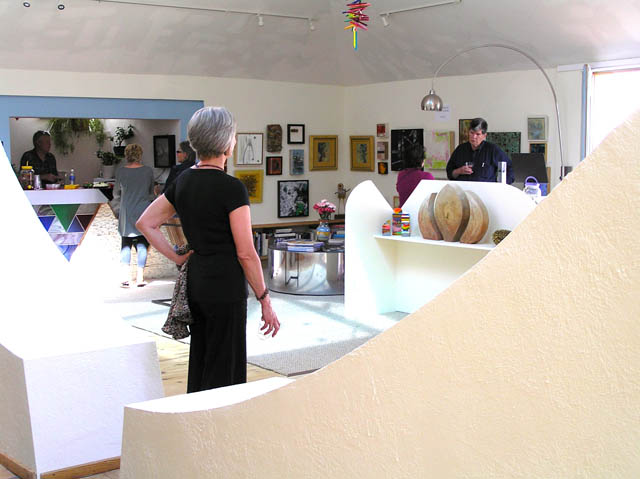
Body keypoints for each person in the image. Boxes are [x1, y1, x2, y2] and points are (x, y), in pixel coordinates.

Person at [136, 106, 280, 393]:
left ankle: (197, 413)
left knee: (202, 358)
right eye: (234, 136)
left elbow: (146, 223)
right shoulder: (232, 188)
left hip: (197, 281)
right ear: (226, 142)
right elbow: (246, 253)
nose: (235, 141)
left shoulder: (183, 181)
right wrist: (264, 298)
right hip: (225, 286)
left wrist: (177, 256)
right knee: (225, 366)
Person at [112, 144, 154, 288]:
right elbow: (151, 193)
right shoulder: (148, 171)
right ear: (140, 155)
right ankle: (140, 278)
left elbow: (116, 193)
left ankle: (126, 277)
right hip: (143, 210)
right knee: (142, 243)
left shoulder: (121, 171)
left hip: (126, 210)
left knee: (126, 243)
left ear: (126, 155)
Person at [446, 117, 514, 184]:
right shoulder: (460, 149)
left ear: (484, 135)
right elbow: (449, 173)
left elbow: (510, 169)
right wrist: (459, 171)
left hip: (485, 190)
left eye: (478, 134)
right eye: (471, 133)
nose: (474, 137)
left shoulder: (493, 150)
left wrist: (500, 186)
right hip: (463, 189)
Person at [396, 142, 434, 207]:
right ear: (421, 160)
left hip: (403, 212)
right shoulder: (427, 176)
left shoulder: (401, 175)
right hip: (419, 212)